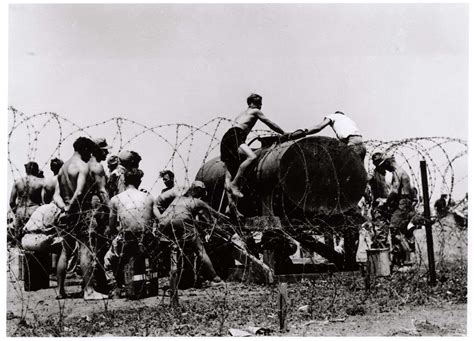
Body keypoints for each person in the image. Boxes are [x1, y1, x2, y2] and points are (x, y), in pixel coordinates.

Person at [53, 136, 108, 300]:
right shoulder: (82, 167)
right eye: (89, 151)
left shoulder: (63, 167)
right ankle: (89, 291)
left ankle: (60, 291)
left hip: (66, 212)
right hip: (81, 210)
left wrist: (64, 208)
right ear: (84, 149)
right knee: (85, 249)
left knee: (65, 250)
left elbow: (56, 194)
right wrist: (71, 208)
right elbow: (79, 191)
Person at [158, 181, 229, 287]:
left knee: (177, 249)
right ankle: (216, 278)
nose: (202, 195)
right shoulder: (196, 202)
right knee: (200, 249)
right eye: (202, 192)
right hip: (180, 222)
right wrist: (228, 221)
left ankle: (178, 279)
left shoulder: (178, 199)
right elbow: (216, 216)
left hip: (163, 223)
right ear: (197, 191)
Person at [220, 93, 286, 205]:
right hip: (236, 135)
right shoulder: (255, 111)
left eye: (260, 103)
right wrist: (284, 133)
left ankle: (230, 206)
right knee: (252, 157)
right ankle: (235, 184)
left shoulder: (241, 114)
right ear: (251, 103)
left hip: (227, 138)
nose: (260, 106)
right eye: (258, 103)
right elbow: (270, 123)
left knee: (229, 173)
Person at [105, 168, 159, 292]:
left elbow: (112, 226)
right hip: (147, 240)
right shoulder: (149, 197)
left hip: (127, 240)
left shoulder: (116, 199)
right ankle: (151, 284)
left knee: (107, 260)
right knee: (150, 257)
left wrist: (117, 233)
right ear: (139, 181)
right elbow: (159, 218)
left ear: (123, 181)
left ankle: (115, 288)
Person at [376, 154, 416, 266]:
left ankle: (407, 260)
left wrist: (384, 201)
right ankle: (403, 260)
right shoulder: (402, 172)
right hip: (405, 204)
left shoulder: (397, 173)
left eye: (384, 165)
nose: (385, 168)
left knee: (395, 230)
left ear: (388, 162)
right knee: (401, 232)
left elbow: (394, 191)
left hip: (402, 204)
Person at [9, 161, 44, 243]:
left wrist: (17, 212)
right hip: (34, 212)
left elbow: (11, 202)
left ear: (26, 170)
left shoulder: (17, 182)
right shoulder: (41, 182)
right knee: (34, 240)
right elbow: (45, 201)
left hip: (20, 212)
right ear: (37, 170)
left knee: (19, 241)